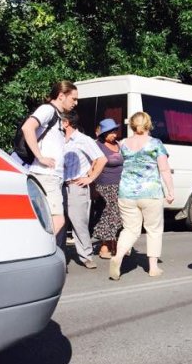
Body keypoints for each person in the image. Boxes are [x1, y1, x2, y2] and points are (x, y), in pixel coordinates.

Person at [109, 112, 175, 281]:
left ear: (131, 125)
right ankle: (153, 267)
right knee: (153, 230)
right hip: (150, 193)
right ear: (148, 124)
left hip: (126, 193)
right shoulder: (155, 144)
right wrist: (170, 190)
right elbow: (164, 169)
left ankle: (118, 257)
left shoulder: (123, 143)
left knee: (130, 229)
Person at [20, 80, 78, 242]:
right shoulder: (47, 110)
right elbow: (27, 127)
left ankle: (34, 251)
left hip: (51, 176)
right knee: (57, 220)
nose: (76, 102)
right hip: (45, 175)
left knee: (44, 221)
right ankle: (34, 251)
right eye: (73, 99)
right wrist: (40, 157)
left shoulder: (58, 116)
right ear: (61, 96)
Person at [61, 110, 107, 269]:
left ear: (66, 122)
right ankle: (59, 255)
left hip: (76, 186)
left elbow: (101, 159)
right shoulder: (59, 140)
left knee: (79, 222)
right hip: (60, 185)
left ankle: (86, 256)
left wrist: (90, 178)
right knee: (60, 222)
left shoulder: (83, 140)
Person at [92, 118, 124, 260]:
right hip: (105, 185)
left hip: (121, 186)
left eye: (115, 131)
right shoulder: (98, 146)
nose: (114, 134)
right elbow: (92, 167)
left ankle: (113, 244)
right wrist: (93, 187)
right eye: (111, 132)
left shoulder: (119, 145)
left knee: (119, 215)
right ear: (104, 133)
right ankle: (106, 246)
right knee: (112, 214)